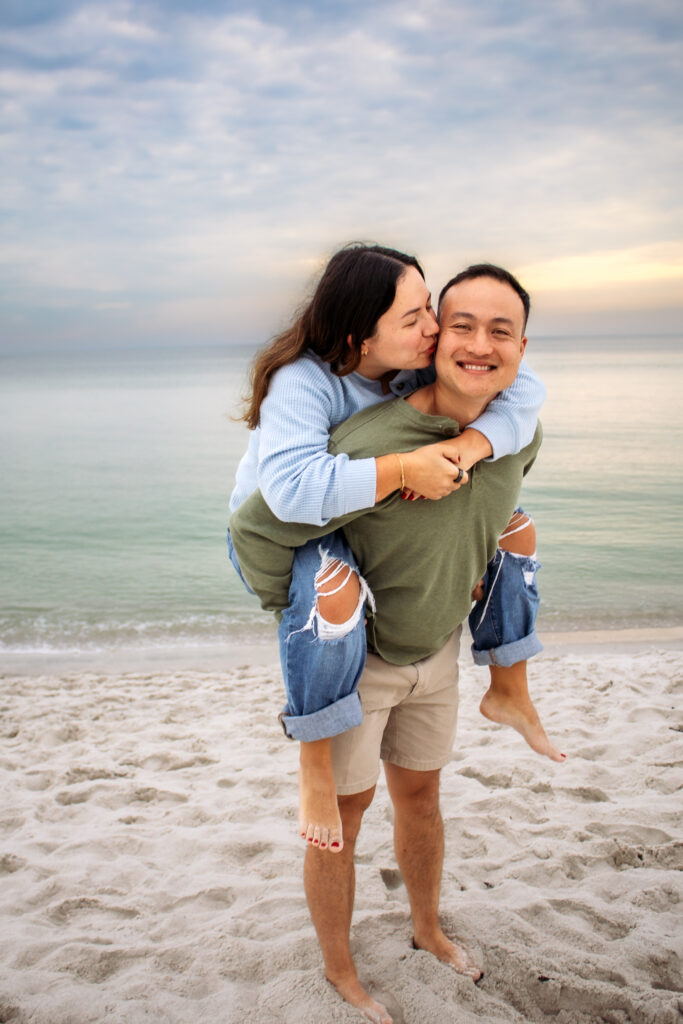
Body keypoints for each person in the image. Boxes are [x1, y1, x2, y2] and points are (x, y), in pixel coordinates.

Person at [230, 264, 555, 1023]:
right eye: (443, 323)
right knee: (342, 822)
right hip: (357, 656)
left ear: (520, 346)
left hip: (436, 652)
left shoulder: (514, 425)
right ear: (370, 337)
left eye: (495, 331)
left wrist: (465, 554)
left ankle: (425, 926)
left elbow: (510, 452)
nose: (461, 340)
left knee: (421, 797)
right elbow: (259, 523)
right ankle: (341, 971)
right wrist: (303, 609)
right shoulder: (353, 427)